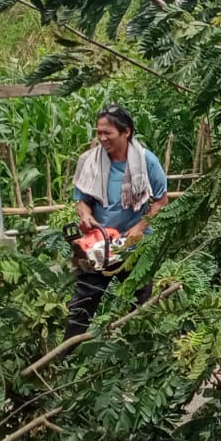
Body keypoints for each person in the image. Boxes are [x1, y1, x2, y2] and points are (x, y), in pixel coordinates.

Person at [67, 105, 168, 339]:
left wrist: (140, 226)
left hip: (133, 247)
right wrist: (85, 215)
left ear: (126, 132)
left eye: (108, 133)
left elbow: (161, 201)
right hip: (99, 245)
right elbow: (82, 201)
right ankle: (67, 354)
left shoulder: (146, 161)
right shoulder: (89, 161)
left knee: (140, 305)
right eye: (99, 133)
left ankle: (139, 349)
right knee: (82, 305)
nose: (102, 138)